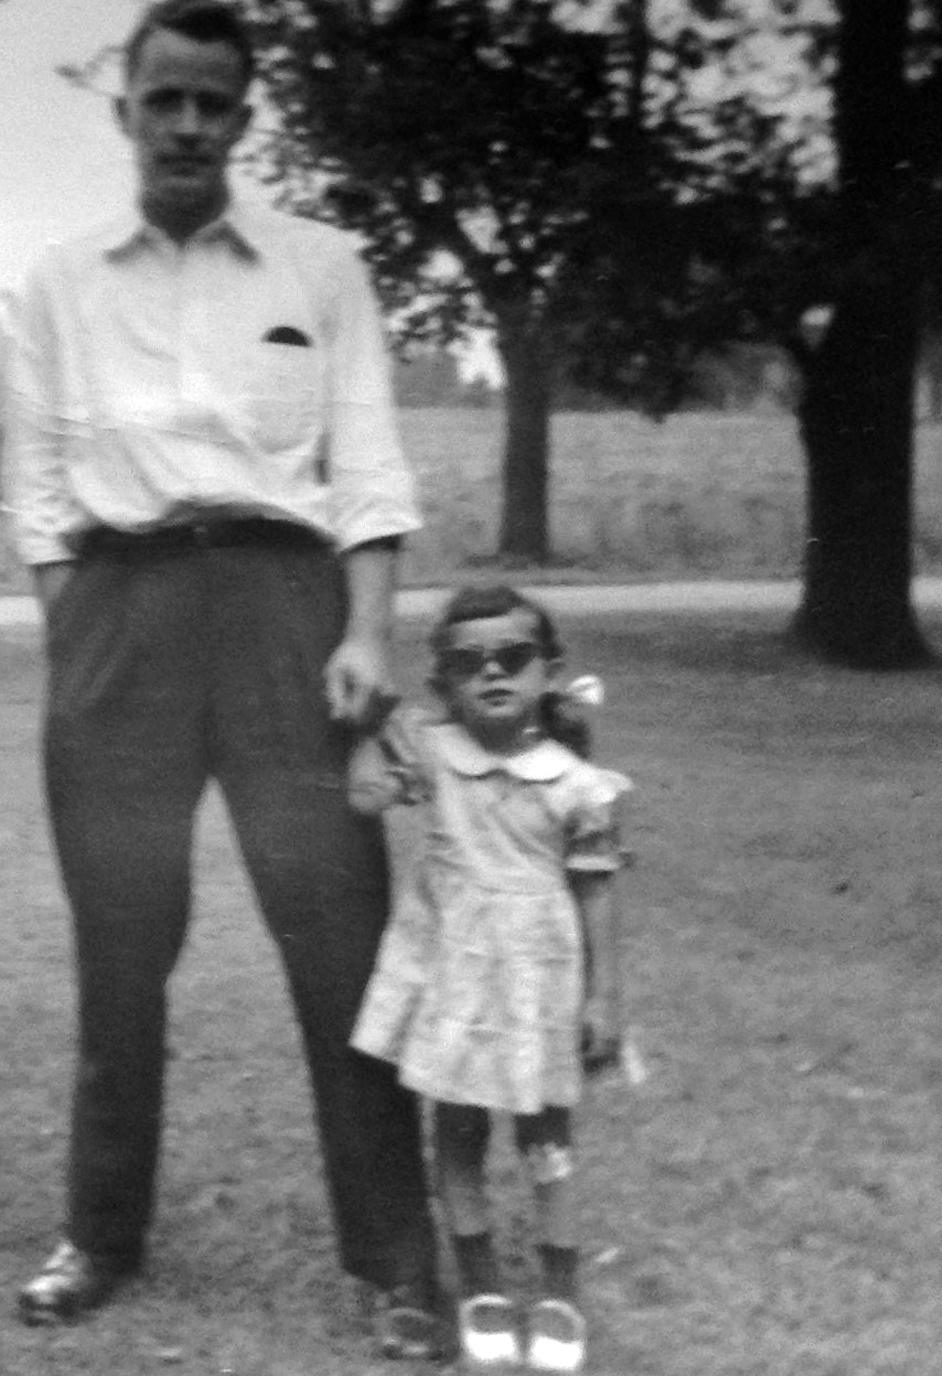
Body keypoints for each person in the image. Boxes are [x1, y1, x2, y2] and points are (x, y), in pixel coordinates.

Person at [5, 0, 442, 1357]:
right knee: (121, 947)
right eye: (166, 100)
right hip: (118, 615)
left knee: (339, 939)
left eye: (215, 103)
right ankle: (101, 1235)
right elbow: (35, 495)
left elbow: (366, 471)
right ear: (126, 110)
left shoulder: (322, 267)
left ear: (245, 120)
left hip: (285, 615)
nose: (189, 124)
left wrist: (365, 630)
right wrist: (85, 626)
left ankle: (393, 1259)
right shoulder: (53, 283)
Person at [347, 584, 632, 1373]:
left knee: (547, 1142)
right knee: (461, 1136)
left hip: (540, 988)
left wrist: (605, 996)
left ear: (549, 672)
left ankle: (560, 1296)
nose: (493, 674)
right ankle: (479, 1286)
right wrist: (372, 726)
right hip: (458, 986)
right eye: (469, 663)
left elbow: (597, 890)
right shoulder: (436, 756)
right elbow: (365, 796)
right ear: (443, 684)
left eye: (513, 658)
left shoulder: (579, 786)